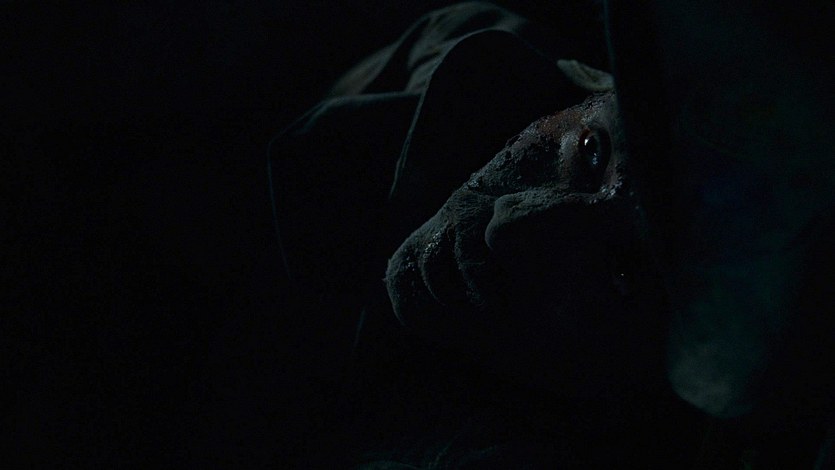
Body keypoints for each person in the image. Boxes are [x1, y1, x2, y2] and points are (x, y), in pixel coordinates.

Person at [270, 1, 835, 467]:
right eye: (590, 152)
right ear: (586, 85)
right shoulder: (464, 59)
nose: (513, 227)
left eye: (622, 275)